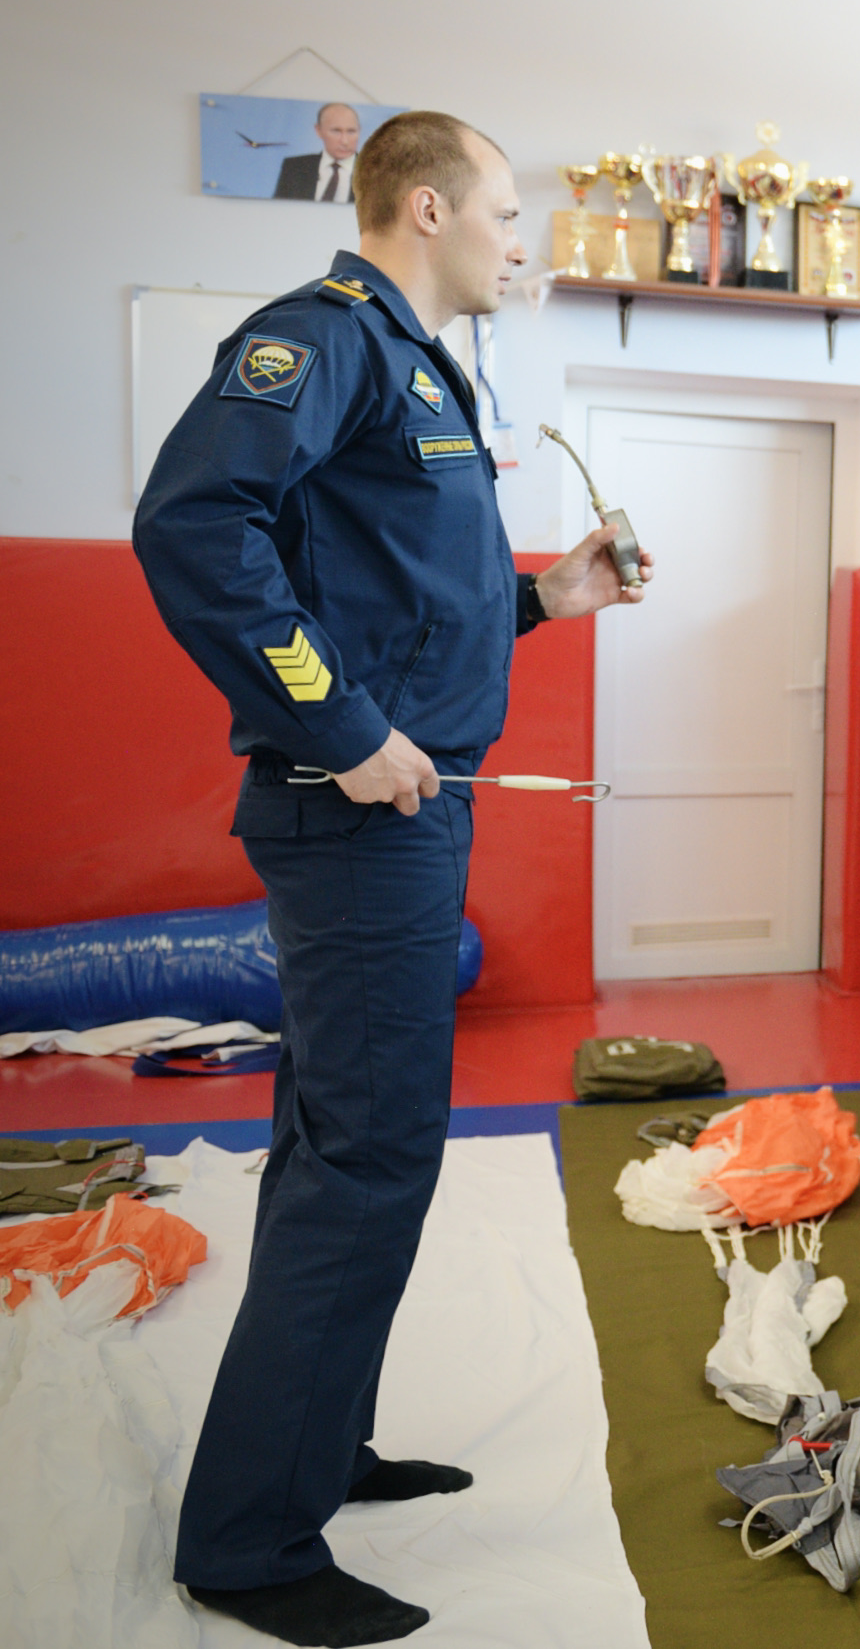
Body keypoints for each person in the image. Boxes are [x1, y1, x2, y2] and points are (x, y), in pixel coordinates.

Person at [134, 109, 649, 1648]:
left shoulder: (422, 368)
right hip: (355, 810)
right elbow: (193, 523)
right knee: (369, 1160)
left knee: (334, 1148)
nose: (521, 242)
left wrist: (551, 596)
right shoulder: (326, 340)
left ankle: (316, 1446)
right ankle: (249, 1541)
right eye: (507, 214)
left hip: (404, 807)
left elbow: (402, 594)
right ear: (427, 209)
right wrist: (342, 724)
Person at [274, 102, 364, 203]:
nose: (344, 141)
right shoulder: (294, 167)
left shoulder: (375, 173)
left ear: (359, 130)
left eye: (351, 131)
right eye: (336, 131)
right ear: (318, 130)